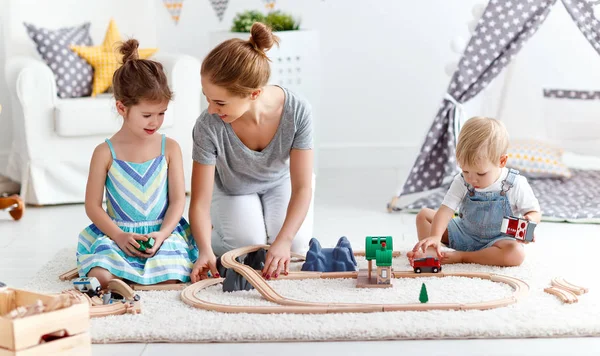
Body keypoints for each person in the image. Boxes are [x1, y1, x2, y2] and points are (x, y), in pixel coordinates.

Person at [189, 22, 314, 283]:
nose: (211, 109)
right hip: (233, 189)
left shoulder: (298, 111)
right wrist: (204, 250)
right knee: (249, 247)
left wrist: (284, 240)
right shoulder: (208, 125)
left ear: (254, 93)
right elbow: (199, 201)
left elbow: (302, 187)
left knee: (294, 246)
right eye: (208, 98)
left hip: (280, 183)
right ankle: (212, 233)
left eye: (220, 102)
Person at [76, 39, 198, 288]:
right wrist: (119, 236)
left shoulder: (170, 148)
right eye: (147, 115)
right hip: (118, 234)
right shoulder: (105, 152)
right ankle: (132, 279)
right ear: (122, 108)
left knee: (175, 275)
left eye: (161, 113)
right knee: (98, 275)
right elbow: (92, 206)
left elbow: (177, 201)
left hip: (161, 234)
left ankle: (135, 280)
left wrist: (162, 235)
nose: (155, 122)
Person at [407, 117, 541, 267]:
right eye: (465, 171)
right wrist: (435, 236)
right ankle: (434, 250)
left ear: (501, 161)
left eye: (481, 174)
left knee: (516, 254)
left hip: (497, 241)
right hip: (464, 232)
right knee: (424, 215)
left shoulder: (515, 183)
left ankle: (463, 256)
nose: (472, 179)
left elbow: (535, 212)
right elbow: (445, 210)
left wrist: (530, 220)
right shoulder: (461, 180)